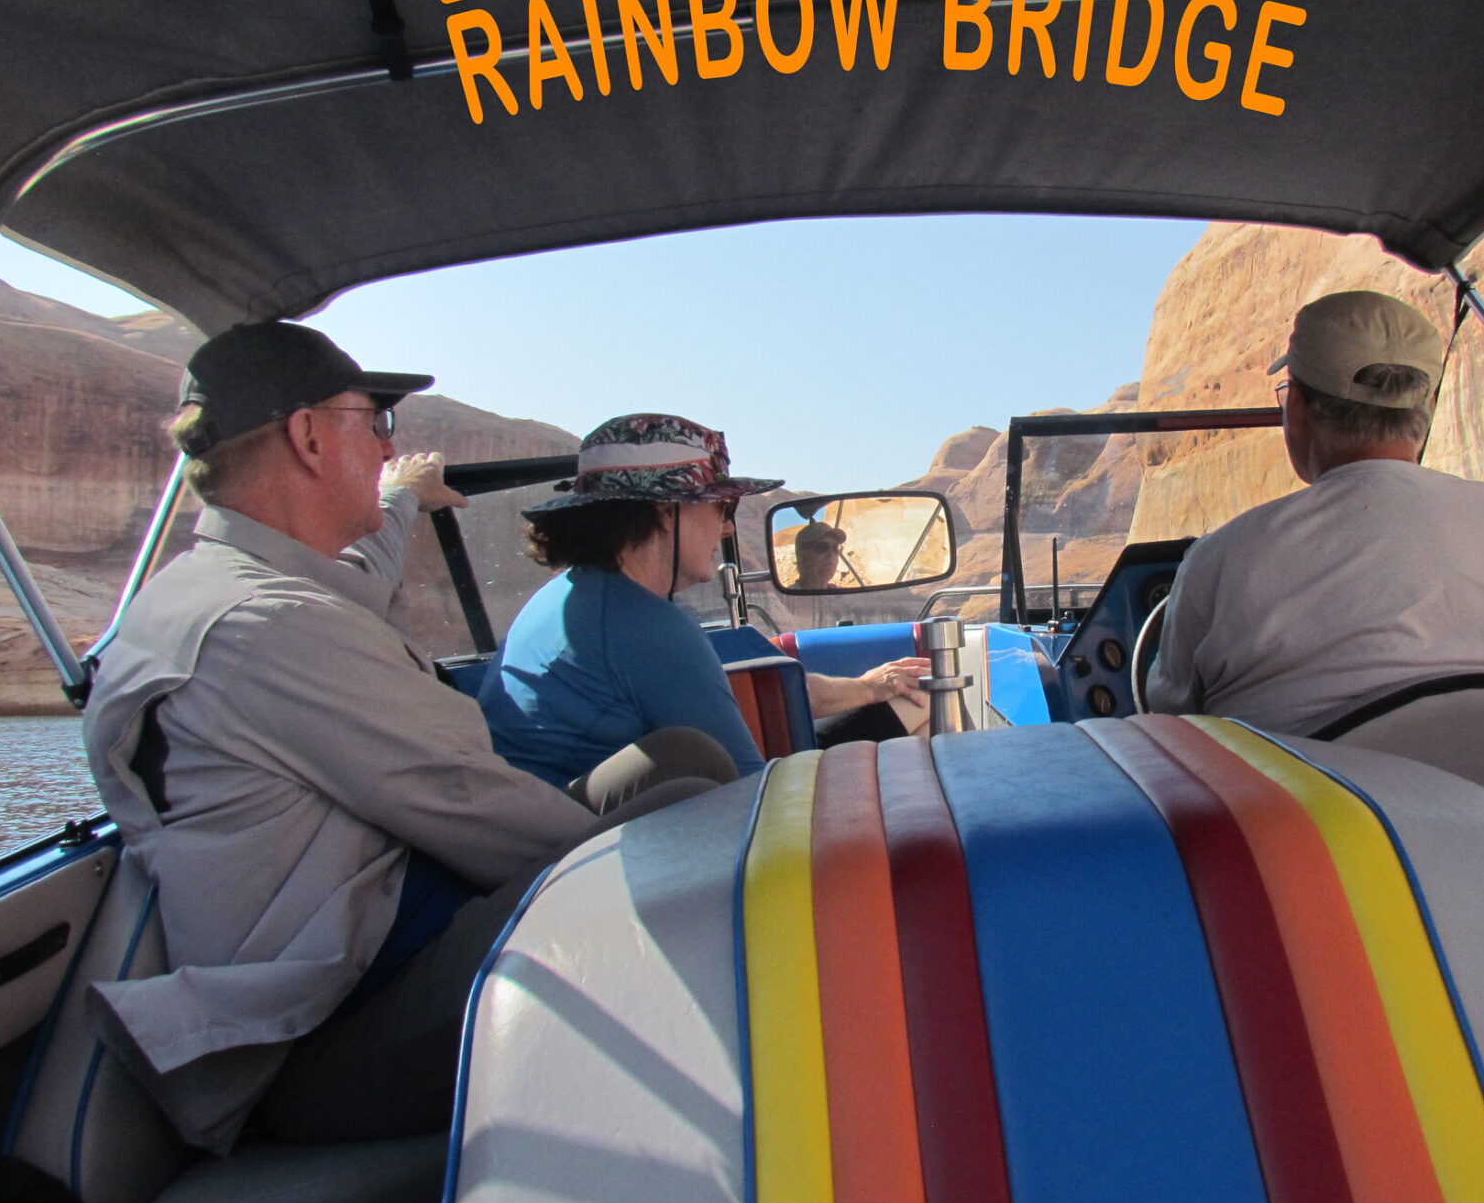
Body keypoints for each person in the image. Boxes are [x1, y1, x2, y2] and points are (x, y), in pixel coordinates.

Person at [82, 324, 728, 1155]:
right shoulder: (270, 627)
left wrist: (401, 499)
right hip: (323, 1036)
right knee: (692, 838)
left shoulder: (225, 588)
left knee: (681, 768)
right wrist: (651, 867)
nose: (390, 447)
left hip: (373, 945)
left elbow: (363, 576)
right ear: (309, 436)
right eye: (375, 422)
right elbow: (472, 802)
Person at [1145, 290, 1484, 734]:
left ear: (1299, 407)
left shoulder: (1223, 559)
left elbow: (1173, 725)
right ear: (1428, 407)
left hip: (1320, 800)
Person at [479, 415, 929, 781]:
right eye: (721, 507)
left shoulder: (580, 597)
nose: (727, 528)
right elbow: (748, 794)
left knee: (900, 709)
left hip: (572, 829)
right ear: (666, 512)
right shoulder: (643, 625)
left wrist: (870, 688)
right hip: (605, 843)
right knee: (918, 713)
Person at [792, 519, 849, 590]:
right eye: (822, 547)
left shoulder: (841, 594)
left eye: (835, 548)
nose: (831, 555)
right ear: (803, 557)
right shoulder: (785, 596)